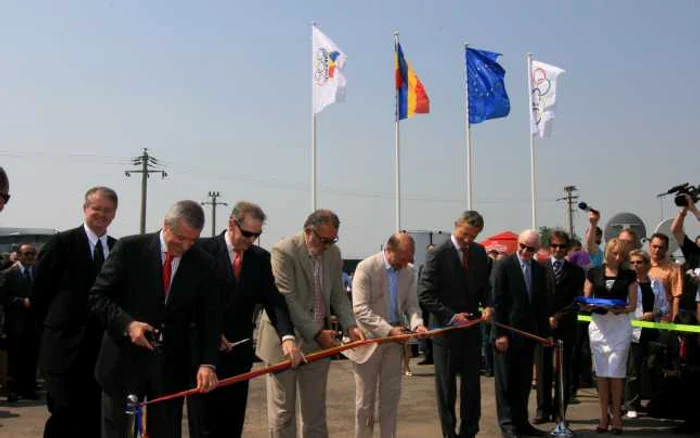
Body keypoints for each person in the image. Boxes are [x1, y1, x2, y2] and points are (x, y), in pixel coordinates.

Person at [89, 200, 220, 438]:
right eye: (180, 238)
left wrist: (207, 363)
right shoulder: (130, 249)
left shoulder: (203, 263)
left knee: (166, 431)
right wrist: (128, 324)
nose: (185, 246)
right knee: (117, 431)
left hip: (170, 367)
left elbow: (209, 318)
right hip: (122, 362)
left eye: (193, 240)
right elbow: (98, 297)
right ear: (165, 225)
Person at [187, 201, 303, 438]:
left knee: (232, 425)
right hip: (203, 356)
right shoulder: (200, 251)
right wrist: (209, 331)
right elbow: (186, 301)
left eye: (257, 235)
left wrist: (287, 337)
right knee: (204, 426)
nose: (251, 240)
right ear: (232, 223)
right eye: (247, 233)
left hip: (238, 356)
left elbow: (275, 302)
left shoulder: (260, 259)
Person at [255, 209, 363, 438]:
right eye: (324, 240)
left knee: (315, 414)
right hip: (285, 342)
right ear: (308, 232)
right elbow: (288, 300)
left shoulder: (333, 254)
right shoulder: (284, 251)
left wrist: (350, 325)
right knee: (283, 415)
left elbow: (338, 295)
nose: (327, 245)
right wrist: (316, 333)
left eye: (332, 240)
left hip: (318, 345)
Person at [32, 186, 118, 438]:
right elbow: (39, 297)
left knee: (94, 418)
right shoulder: (61, 244)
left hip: (100, 354)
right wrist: (51, 335)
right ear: (85, 209)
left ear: (114, 214)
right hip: (63, 352)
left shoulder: (117, 248)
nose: (101, 214)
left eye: (108, 210)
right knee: (64, 417)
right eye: (96, 209)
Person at [419, 211, 493, 438]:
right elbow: (426, 294)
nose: (468, 240)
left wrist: (489, 305)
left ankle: (469, 432)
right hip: (446, 331)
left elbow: (485, 289)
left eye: (474, 235)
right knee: (446, 388)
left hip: (471, 331)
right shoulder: (438, 255)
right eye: (465, 234)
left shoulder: (480, 253)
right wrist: (451, 316)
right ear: (455, 225)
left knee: (472, 387)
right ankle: (449, 433)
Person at [352, 232, 427, 438]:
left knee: (390, 400)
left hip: (395, 344)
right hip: (369, 342)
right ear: (389, 250)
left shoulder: (409, 271)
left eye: (410, 257)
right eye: (403, 257)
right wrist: (388, 330)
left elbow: (412, 306)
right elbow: (360, 310)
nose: (406, 262)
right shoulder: (366, 268)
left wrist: (418, 325)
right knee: (364, 404)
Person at [491, 229, 551, 438]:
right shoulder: (503, 266)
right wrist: (500, 334)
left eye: (530, 248)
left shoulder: (538, 270)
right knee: (506, 382)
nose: (525, 251)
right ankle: (508, 426)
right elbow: (497, 302)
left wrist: (545, 333)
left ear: (536, 250)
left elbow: (541, 305)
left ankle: (522, 423)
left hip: (528, 336)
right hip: (506, 335)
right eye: (522, 246)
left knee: (524, 382)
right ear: (518, 243)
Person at [582, 238, 637, 435]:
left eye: (621, 254)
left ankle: (616, 417)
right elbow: (586, 299)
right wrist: (588, 304)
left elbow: (632, 304)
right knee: (601, 373)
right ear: (607, 252)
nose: (618, 257)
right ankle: (603, 416)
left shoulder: (630, 275)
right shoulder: (593, 272)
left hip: (620, 325)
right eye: (614, 253)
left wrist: (620, 308)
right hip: (599, 325)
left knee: (616, 371)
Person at [533, 231, 584, 425]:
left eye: (562, 246)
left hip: (565, 325)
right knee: (543, 368)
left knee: (563, 371)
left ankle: (560, 412)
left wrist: (557, 317)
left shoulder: (576, 271)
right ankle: (542, 410)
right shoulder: (539, 268)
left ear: (567, 248)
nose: (558, 250)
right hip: (543, 326)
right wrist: (545, 318)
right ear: (549, 246)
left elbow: (576, 300)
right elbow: (535, 297)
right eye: (554, 246)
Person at [623, 249, 669, 419]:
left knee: (653, 368)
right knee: (633, 369)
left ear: (647, 264)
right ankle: (632, 404)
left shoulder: (655, 283)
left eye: (639, 262)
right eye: (632, 262)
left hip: (652, 331)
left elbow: (666, 307)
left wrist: (655, 313)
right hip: (634, 331)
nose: (635, 265)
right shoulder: (627, 284)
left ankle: (656, 404)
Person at [0, 243, 39, 402]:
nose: (30, 257)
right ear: (19, 255)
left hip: (34, 323)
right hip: (16, 322)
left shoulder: (39, 273)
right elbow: (3, 297)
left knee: (31, 357)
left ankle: (29, 389)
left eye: (32, 254)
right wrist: (21, 302)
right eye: (27, 254)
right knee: (16, 358)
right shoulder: (8, 274)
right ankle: (14, 390)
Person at [647, 233, 683, 320]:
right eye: (654, 246)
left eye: (660, 247)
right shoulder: (640, 264)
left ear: (666, 249)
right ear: (649, 246)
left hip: (663, 319)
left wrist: (675, 322)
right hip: (642, 317)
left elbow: (676, 298)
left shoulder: (674, 268)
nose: (657, 250)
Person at [417, 242, 436, 366]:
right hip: (424, 304)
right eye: (429, 251)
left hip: (435, 304)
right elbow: (420, 284)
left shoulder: (442, 266)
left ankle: (436, 356)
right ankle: (428, 355)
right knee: (425, 329)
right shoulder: (422, 267)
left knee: (434, 330)